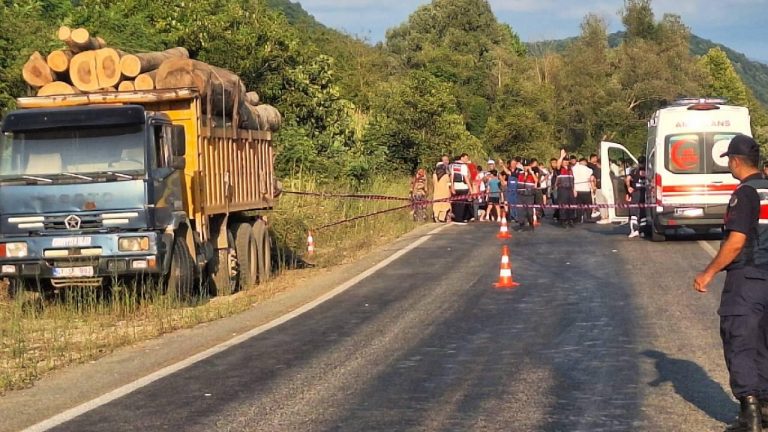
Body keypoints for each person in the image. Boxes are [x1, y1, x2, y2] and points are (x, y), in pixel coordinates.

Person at [694, 135, 768, 432]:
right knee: (764, 343)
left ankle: (749, 416)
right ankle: (765, 408)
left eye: (728, 160)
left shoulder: (746, 193)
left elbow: (736, 242)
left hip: (748, 278)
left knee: (740, 341)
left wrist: (708, 272)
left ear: (736, 161)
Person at [626, 156, 648, 238]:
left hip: (636, 193)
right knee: (643, 213)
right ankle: (642, 231)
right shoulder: (649, 170)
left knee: (634, 213)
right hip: (645, 193)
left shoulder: (634, 170)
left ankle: (635, 231)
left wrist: (629, 187)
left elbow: (627, 179)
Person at [449, 154, 473, 224]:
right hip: (463, 186)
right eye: (465, 158)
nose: (466, 160)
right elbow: (466, 177)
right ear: (461, 158)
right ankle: (459, 218)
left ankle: (457, 217)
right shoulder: (464, 166)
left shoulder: (454, 165)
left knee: (457, 203)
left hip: (456, 186)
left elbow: (452, 176)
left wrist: (452, 187)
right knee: (462, 203)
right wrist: (470, 188)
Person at [555, 149, 576, 228]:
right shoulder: (559, 169)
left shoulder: (570, 170)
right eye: (565, 160)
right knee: (563, 205)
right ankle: (563, 220)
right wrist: (561, 157)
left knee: (572, 205)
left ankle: (570, 219)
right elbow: (558, 164)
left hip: (570, 189)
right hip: (562, 189)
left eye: (567, 160)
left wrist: (574, 190)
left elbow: (573, 180)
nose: (566, 162)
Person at [517, 159, 538, 230]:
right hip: (521, 195)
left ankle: (531, 223)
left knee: (529, 211)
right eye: (524, 166)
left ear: (530, 166)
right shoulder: (520, 173)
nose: (526, 167)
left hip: (529, 195)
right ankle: (521, 224)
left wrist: (531, 173)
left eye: (527, 166)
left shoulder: (532, 174)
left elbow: (536, 181)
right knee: (520, 211)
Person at [572, 157, 595, 223]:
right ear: (585, 162)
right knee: (588, 204)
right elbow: (590, 179)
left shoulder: (573, 169)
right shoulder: (589, 170)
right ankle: (588, 217)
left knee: (579, 205)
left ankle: (579, 218)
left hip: (577, 189)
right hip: (586, 189)